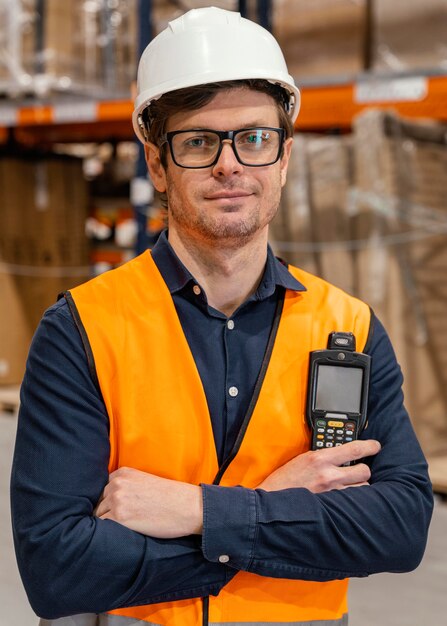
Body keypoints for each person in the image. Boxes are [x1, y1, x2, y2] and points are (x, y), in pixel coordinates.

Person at [11, 7, 433, 626]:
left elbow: (399, 530)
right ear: (157, 163)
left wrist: (201, 512)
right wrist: (283, 513)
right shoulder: (83, 329)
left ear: (284, 159)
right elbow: (58, 569)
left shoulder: (349, 324)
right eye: (199, 141)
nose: (230, 164)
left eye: (254, 138)